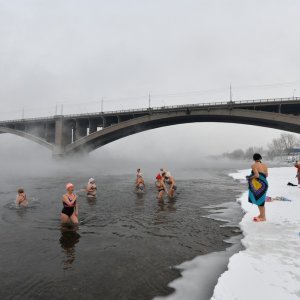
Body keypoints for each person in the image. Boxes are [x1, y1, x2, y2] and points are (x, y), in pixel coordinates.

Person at [246, 153, 268, 222]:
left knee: (260, 201)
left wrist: (250, 177)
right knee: (260, 200)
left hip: (258, 185)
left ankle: (263, 217)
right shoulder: (265, 165)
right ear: (260, 158)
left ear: (254, 159)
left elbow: (257, 175)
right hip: (264, 184)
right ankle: (261, 215)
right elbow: (266, 175)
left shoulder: (253, 165)